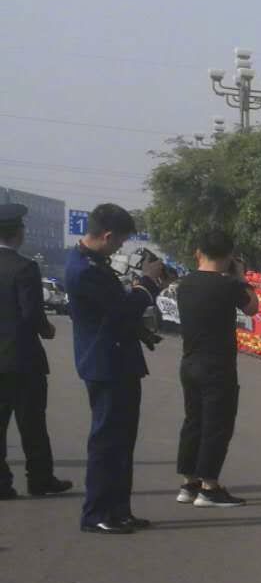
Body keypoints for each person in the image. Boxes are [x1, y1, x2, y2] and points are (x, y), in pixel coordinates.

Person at [66, 203, 152, 536]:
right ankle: (97, 512)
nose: (120, 247)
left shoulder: (92, 264)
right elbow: (119, 310)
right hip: (106, 363)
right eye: (119, 241)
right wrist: (147, 285)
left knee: (122, 441)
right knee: (106, 442)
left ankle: (119, 509)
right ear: (107, 235)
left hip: (117, 361)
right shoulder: (85, 269)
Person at [173, 228, 258, 508]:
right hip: (217, 365)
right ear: (230, 255)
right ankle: (209, 487)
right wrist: (241, 277)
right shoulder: (229, 285)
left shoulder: (184, 283)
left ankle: (189, 483)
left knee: (193, 422)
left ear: (198, 252)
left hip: (190, 361)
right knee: (216, 425)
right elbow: (252, 308)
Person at [0, 202, 69, 499]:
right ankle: (40, 479)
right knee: (32, 424)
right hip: (22, 360)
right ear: (18, 232)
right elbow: (31, 313)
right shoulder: (25, 268)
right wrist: (47, 330)